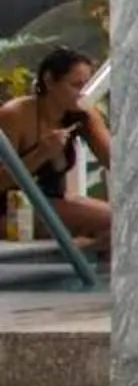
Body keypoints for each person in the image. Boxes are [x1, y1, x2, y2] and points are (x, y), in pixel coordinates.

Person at [1, 47, 112, 253]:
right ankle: (82, 256)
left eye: (86, 86)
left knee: (125, 220)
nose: (82, 93)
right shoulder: (16, 115)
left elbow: (114, 162)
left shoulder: (83, 114)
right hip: (10, 209)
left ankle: (84, 257)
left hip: (51, 200)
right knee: (114, 223)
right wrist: (40, 154)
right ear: (50, 81)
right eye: (75, 85)